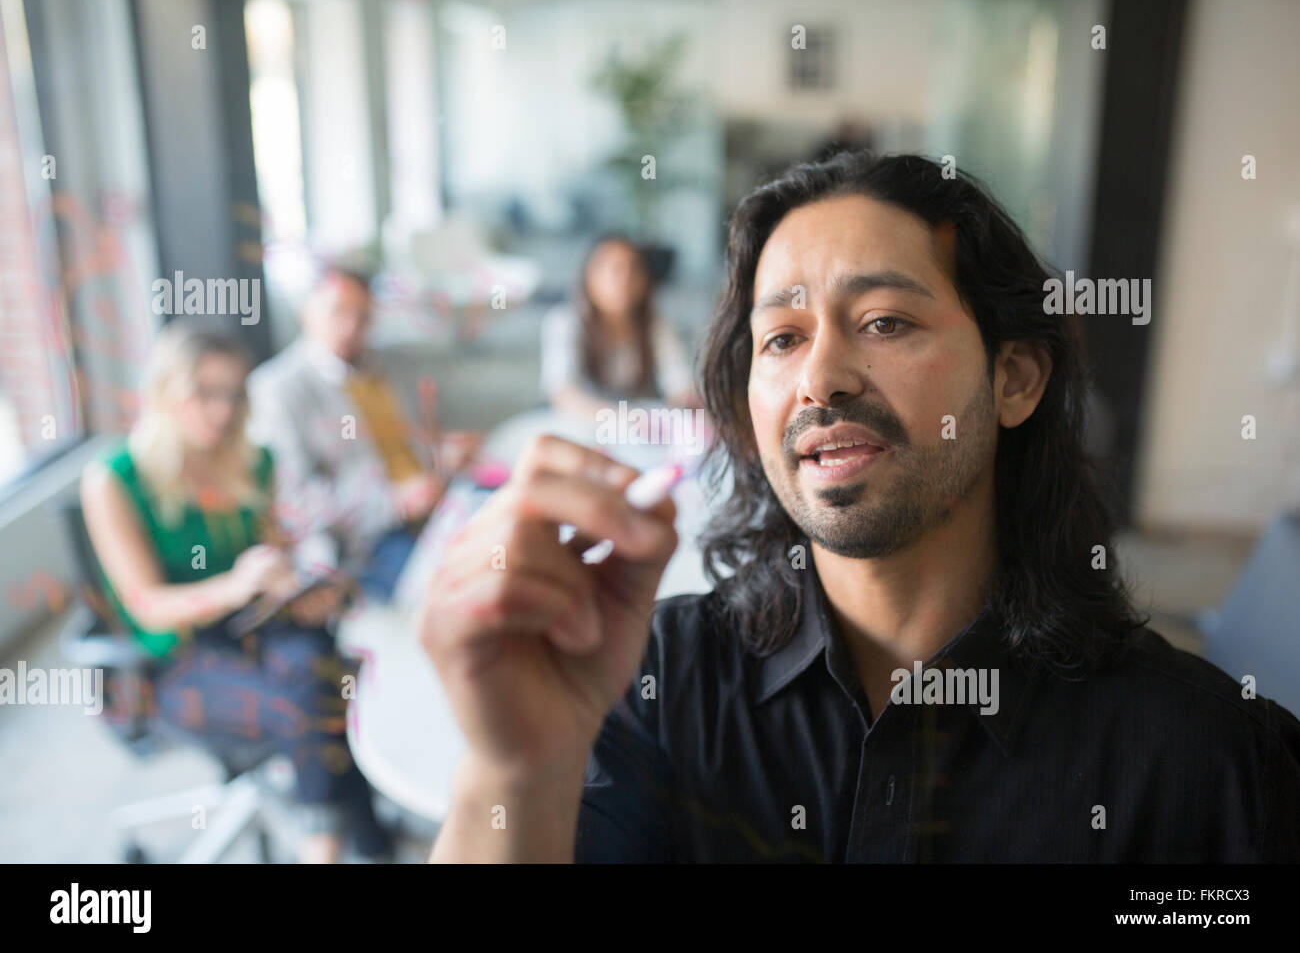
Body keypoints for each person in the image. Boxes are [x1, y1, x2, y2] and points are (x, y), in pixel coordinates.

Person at [418, 151, 1300, 862]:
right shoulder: (654, 683)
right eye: (783, 338)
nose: (821, 378)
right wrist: (515, 773)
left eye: (884, 322)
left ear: (1015, 378)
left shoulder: (1202, 764)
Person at [80, 318, 390, 863]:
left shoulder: (252, 462)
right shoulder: (113, 479)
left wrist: (300, 587)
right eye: (203, 393)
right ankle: (345, 846)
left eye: (231, 394)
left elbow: (275, 557)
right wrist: (234, 585)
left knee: (328, 665)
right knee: (318, 696)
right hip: (174, 659)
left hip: (254, 628)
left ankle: (347, 842)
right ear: (165, 393)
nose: (222, 410)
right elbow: (148, 609)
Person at [247, 265, 479, 601]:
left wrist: (446, 452)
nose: (350, 326)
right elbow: (295, 496)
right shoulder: (278, 389)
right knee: (464, 586)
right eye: (337, 312)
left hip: (443, 499)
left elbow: (424, 434)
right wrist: (396, 502)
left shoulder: (395, 365)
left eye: (362, 316)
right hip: (371, 536)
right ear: (306, 312)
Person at [541, 235, 699, 427]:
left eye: (633, 269)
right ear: (589, 276)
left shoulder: (656, 326)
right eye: (613, 269)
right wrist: (622, 419)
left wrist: (688, 405)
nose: (624, 279)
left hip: (640, 433)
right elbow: (563, 392)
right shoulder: (565, 322)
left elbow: (679, 384)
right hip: (583, 426)